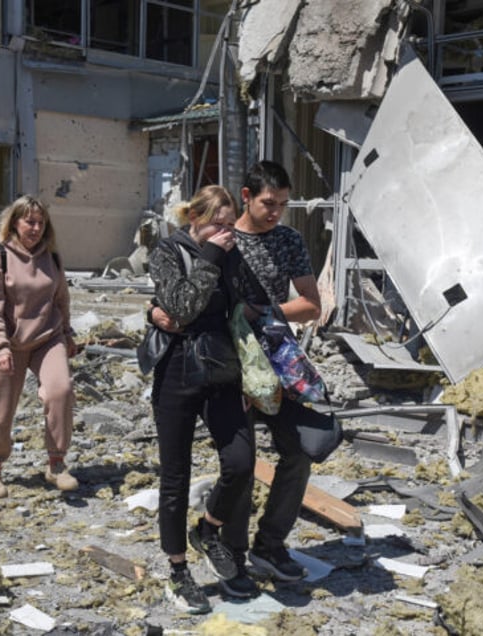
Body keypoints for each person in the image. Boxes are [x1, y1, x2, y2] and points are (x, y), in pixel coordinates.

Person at [151, 161, 321, 584]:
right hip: (226, 363)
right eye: (269, 203)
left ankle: (270, 545)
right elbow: (182, 302)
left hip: (275, 359)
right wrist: (153, 312)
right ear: (246, 197)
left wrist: (261, 314)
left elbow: (311, 304)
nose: (277, 211)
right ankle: (232, 551)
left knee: (301, 449)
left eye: (283, 204)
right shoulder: (226, 244)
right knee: (237, 464)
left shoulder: (287, 241)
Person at [147, 185, 257, 614]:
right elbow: (181, 305)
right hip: (176, 368)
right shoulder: (168, 252)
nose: (226, 233)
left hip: (223, 367)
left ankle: (208, 531)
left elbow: (242, 309)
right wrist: (210, 255)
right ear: (195, 219)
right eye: (217, 224)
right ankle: (178, 570)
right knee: (175, 475)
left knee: (241, 462)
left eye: (230, 226)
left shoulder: (233, 254)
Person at [0, 195, 79, 499]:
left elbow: (61, 300)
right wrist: (0, 345)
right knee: (1, 408)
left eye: (40, 222)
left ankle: (56, 464)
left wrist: (68, 333)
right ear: (15, 222)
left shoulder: (52, 258)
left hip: (48, 338)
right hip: (7, 342)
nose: (35, 227)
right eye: (29, 221)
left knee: (60, 391)